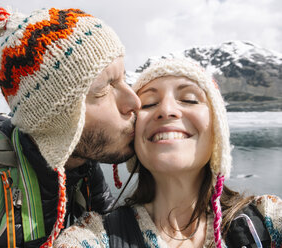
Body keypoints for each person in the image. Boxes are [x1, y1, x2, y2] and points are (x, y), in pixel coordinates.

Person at [0, 7, 141, 248]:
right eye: (104, 88)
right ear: (57, 115)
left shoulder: (82, 169)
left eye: (124, 79)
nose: (134, 102)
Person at [53, 58, 282, 248]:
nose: (166, 110)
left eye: (189, 99)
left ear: (217, 130)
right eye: (149, 104)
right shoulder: (94, 236)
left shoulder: (266, 217)